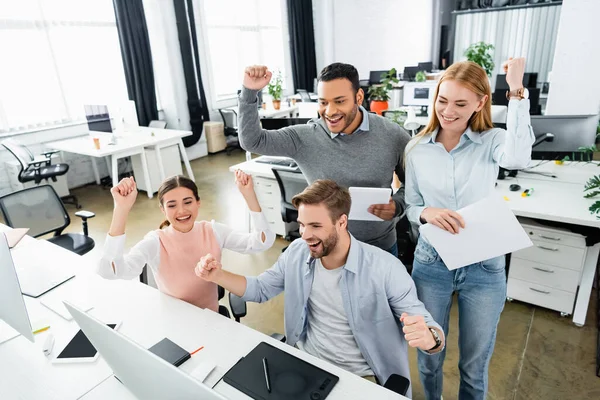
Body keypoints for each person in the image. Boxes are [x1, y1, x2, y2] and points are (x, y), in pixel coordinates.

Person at [196, 179, 445, 396]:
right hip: (305, 363)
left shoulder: (385, 268)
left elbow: (426, 324)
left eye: (315, 226)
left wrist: (430, 338)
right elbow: (260, 289)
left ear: (342, 222)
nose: (304, 234)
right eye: (302, 224)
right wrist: (217, 274)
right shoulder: (297, 252)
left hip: (361, 377)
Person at [404, 58, 534, 400]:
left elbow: (519, 158)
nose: (448, 111)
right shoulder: (416, 149)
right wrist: (426, 213)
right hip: (432, 264)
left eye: (461, 103)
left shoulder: (493, 141)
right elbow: (410, 206)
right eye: (442, 100)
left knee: (474, 366)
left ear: (480, 103)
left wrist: (516, 90)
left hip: (484, 266)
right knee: (430, 356)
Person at [238, 63, 411, 255]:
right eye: (323, 102)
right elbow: (252, 141)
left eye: (339, 101)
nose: (329, 111)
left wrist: (398, 205)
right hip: (327, 249)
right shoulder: (305, 138)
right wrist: (249, 93)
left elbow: (415, 184)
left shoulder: (393, 135)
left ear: (359, 97)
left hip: (380, 248)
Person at [97, 171, 275, 312]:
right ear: (162, 210)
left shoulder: (213, 231)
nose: (181, 211)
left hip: (210, 321)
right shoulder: (156, 241)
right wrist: (121, 209)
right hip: (176, 324)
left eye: (188, 202)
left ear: (198, 203)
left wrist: (249, 195)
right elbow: (110, 271)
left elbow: (261, 242)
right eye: (172, 205)